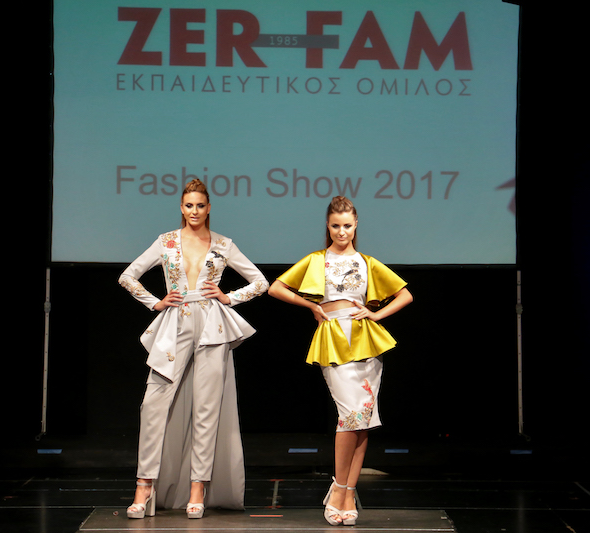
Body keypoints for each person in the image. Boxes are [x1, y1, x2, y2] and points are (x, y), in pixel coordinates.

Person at [119, 179, 268, 519]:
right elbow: (128, 276)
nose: (195, 211)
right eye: (189, 205)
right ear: (181, 208)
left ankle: (197, 488)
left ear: (209, 208)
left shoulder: (223, 244)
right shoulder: (167, 241)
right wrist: (155, 302)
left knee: (206, 408)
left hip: (212, 324)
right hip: (175, 321)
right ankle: (143, 486)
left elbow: (260, 282)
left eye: (200, 205)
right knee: (152, 404)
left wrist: (230, 297)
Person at [268, 196, 412, 526]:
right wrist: (310, 305)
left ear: (356, 225)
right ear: (328, 226)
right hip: (333, 339)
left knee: (363, 421)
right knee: (350, 416)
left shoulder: (367, 262)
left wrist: (376, 315)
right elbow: (276, 288)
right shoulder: (317, 260)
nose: (341, 231)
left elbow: (405, 294)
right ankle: (337, 489)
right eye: (336, 225)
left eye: (347, 225)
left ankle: (348, 492)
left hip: (365, 342)